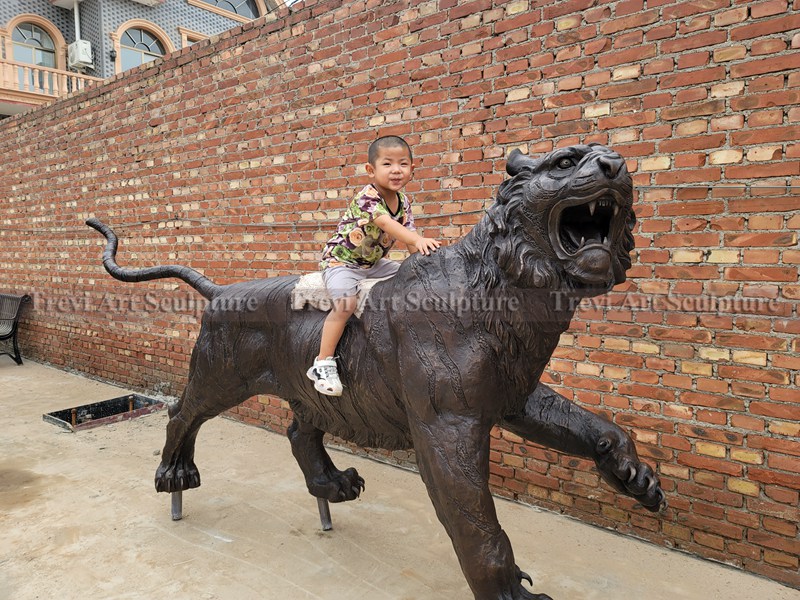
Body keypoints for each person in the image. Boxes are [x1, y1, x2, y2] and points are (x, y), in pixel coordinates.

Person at [307, 135, 440, 396]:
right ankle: (323, 362)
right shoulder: (368, 197)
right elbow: (388, 225)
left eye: (403, 164)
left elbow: (410, 237)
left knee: (410, 274)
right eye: (387, 164)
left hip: (373, 263)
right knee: (345, 304)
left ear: (412, 168)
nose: (396, 170)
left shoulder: (403, 201)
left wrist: (423, 264)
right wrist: (417, 239)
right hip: (342, 263)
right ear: (371, 170)